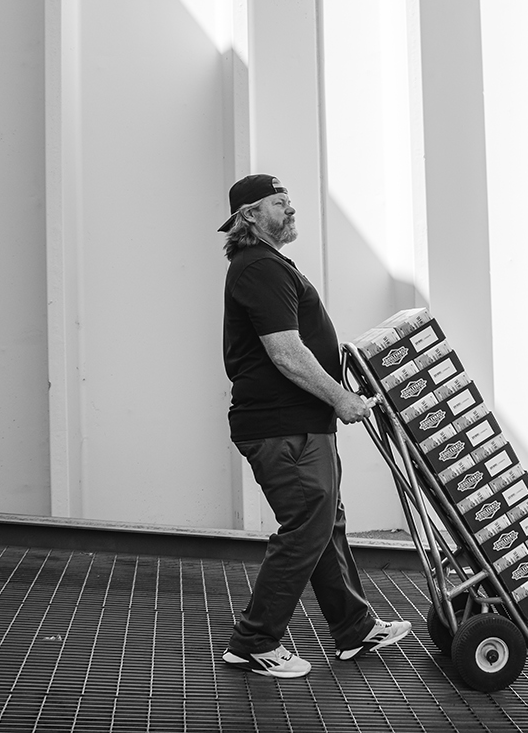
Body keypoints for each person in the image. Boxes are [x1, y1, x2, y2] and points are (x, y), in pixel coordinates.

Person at [217, 173, 412, 679]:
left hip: (300, 424)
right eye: (280, 204)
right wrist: (342, 398)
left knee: (326, 526)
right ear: (251, 217)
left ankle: (354, 628)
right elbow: (285, 353)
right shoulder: (258, 267)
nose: (292, 209)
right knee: (307, 527)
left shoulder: (267, 264)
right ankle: (255, 641)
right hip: (283, 427)